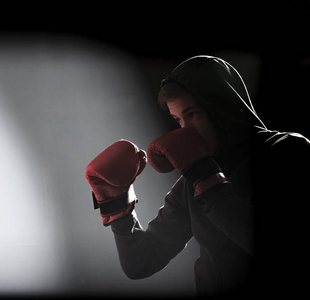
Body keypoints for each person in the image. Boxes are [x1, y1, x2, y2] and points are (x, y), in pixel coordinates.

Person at [85, 55, 310, 298]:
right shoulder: (193, 178)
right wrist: (118, 206)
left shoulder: (287, 149)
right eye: (179, 119)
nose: (186, 130)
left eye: (193, 114)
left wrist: (205, 176)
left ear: (221, 107)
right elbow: (142, 262)